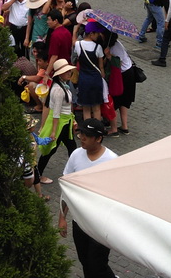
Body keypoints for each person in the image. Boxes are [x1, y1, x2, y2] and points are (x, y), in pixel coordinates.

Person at [57, 119, 119, 278]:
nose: (81, 137)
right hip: (79, 221)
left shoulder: (113, 161)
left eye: (87, 135)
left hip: (101, 224)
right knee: (86, 261)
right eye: (81, 133)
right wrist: (62, 217)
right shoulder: (76, 155)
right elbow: (67, 189)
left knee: (96, 265)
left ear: (98, 138)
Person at [74, 22, 105, 120]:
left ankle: (87, 131)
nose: (98, 35)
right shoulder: (98, 47)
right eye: (97, 33)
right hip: (96, 79)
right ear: (91, 33)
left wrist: (75, 31)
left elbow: (76, 55)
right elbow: (101, 67)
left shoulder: (78, 45)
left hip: (84, 79)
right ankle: (97, 130)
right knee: (96, 108)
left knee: (86, 108)